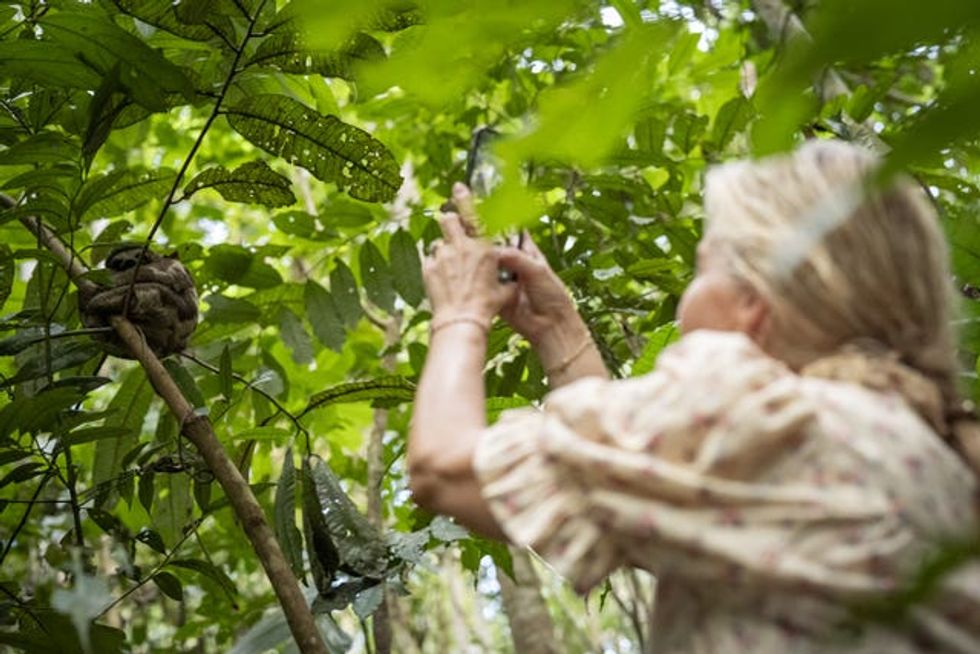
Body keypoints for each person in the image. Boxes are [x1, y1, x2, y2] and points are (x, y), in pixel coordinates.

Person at [408, 140, 980, 653]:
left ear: (754, 301)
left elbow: (445, 470)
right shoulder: (934, 449)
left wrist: (460, 313)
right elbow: (646, 482)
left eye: (702, 269)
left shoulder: (764, 416)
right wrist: (561, 331)